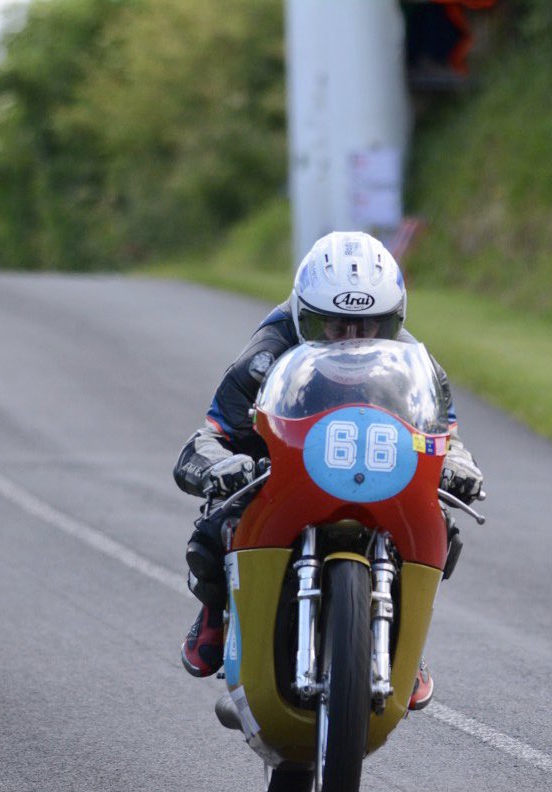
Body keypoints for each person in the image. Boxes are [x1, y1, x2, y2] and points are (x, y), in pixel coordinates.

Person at [173, 231, 483, 711]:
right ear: (304, 316)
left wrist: (458, 466)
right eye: (334, 327)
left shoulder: (415, 362)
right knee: (214, 527)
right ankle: (216, 611)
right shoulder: (264, 355)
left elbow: (446, 437)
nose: (353, 341)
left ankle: (406, 639)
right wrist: (222, 467)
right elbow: (207, 438)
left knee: (443, 526)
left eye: (368, 327)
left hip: (376, 472)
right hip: (282, 466)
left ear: (393, 320)